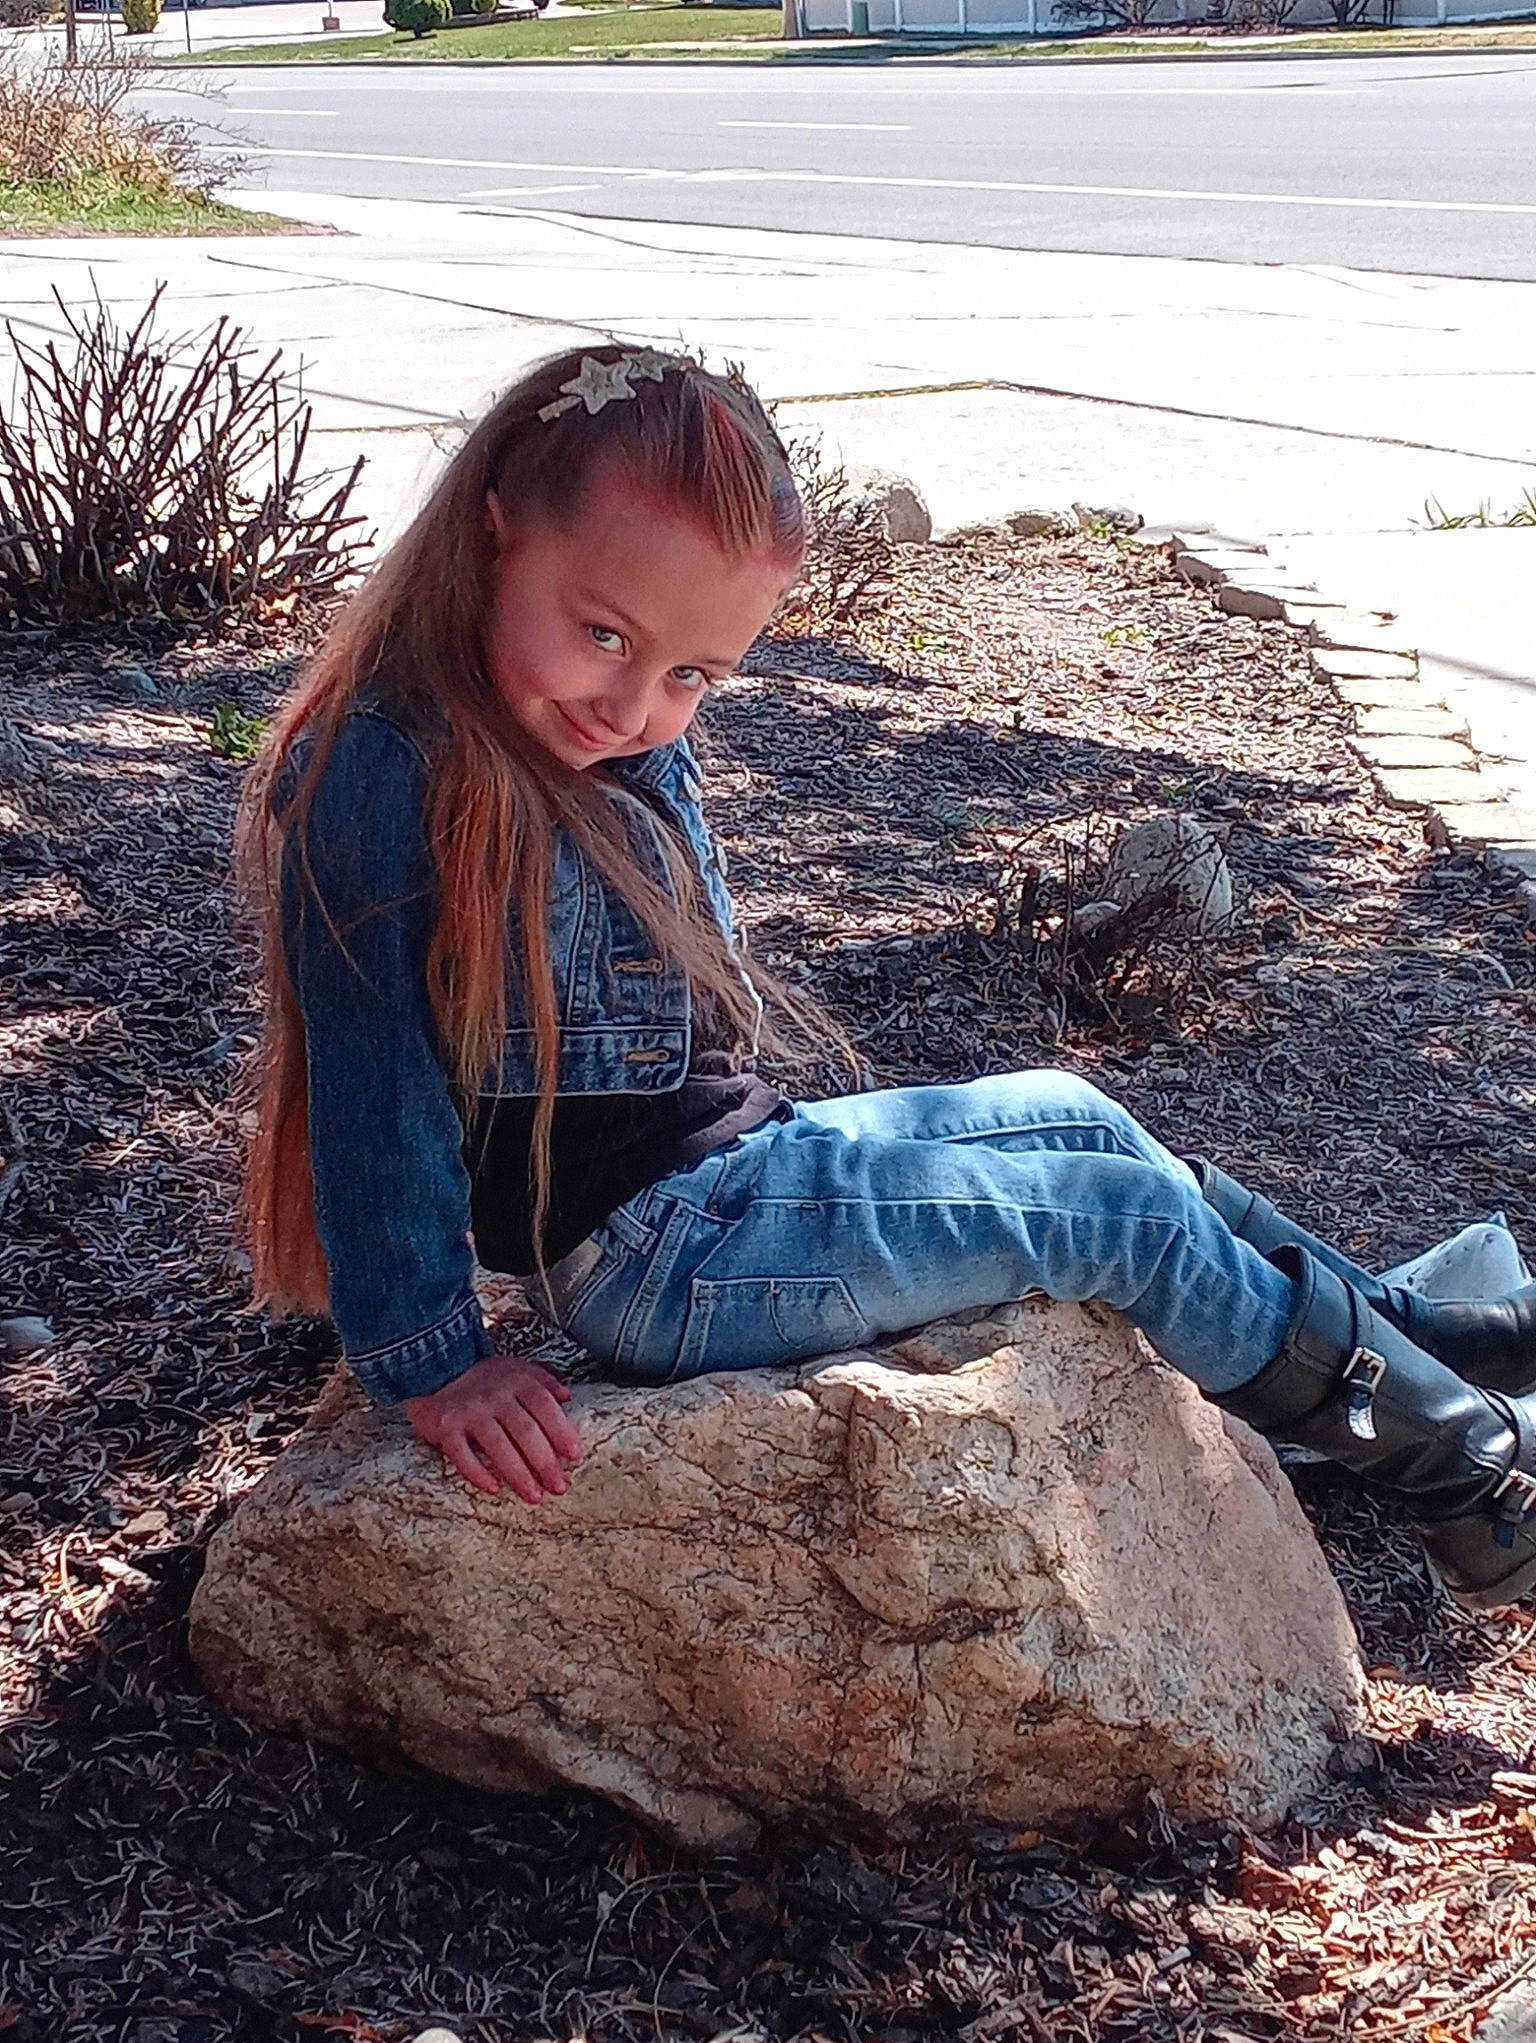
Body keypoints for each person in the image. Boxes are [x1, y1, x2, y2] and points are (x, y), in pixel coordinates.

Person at [237, 343, 1536, 1614]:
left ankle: (1401, 1333)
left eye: (693, 673)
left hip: (732, 1173)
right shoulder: (389, 774)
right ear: (498, 524)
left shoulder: (589, 733)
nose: (634, 705)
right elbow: (375, 1091)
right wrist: (433, 1363)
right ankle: (1458, 1475)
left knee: (1078, 1113)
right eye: (604, 633)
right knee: (1114, 1222)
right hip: (648, 1256)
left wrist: (634, 709)